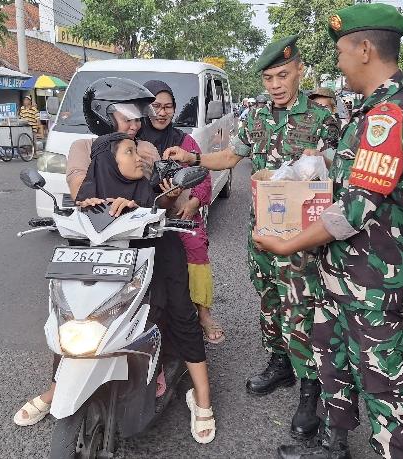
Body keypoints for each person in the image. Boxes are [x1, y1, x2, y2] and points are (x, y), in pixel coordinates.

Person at [253, 4, 403, 458]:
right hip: (338, 270)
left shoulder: (389, 118)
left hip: (371, 277)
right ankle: (333, 445)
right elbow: (347, 179)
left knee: (380, 378)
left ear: (365, 49)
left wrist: (288, 244)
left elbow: (352, 211)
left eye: (342, 51)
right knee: (334, 359)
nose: (338, 63)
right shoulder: (367, 114)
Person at [163, 35, 340, 441]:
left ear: (299, 71)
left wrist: (310, 171)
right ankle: (279, 363)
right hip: (260, 229)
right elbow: (231, 157)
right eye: (268, 78)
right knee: (268, 300)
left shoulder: (322, 119)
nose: (275, 84)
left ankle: (310, 389)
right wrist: (193, 158)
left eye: (282, 75)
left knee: (302, 309)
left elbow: (333, 176)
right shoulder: (256, 117)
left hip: (302, 238)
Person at [14, 78, 157, 427]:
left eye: (140, 118)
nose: (136, 125)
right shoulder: (83, 146)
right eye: (128, 118)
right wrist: (93, 197)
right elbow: (79, 185)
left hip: (139, 239)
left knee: (168, 300)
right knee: (71, 314)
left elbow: (149, 185)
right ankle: (56, 387)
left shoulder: (146, 149)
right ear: (104, 116)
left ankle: (161, 369)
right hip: (90, 243)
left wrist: (138, 197)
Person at [78, 132, 217, 443]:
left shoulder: (151, 186)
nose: (139, 157)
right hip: (112, 269)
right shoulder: (89, 198)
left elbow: (163, 204)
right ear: (107, 164)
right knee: (78, 316)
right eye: (129, 152)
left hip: (161, 257)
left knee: (182, 315)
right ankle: (57, 389)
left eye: (138, 151)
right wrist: (86, 209)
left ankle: (203, 398)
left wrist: (145, 205)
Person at [138, 79, 223, 344]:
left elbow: (203, 176)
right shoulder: (133, 140)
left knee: (196, 246)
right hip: (143, 212)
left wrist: (193, 203)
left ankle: (204, 313)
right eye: (156, 106)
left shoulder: (184, 141)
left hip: (181, 214)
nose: (162, 112)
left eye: (168, 107)